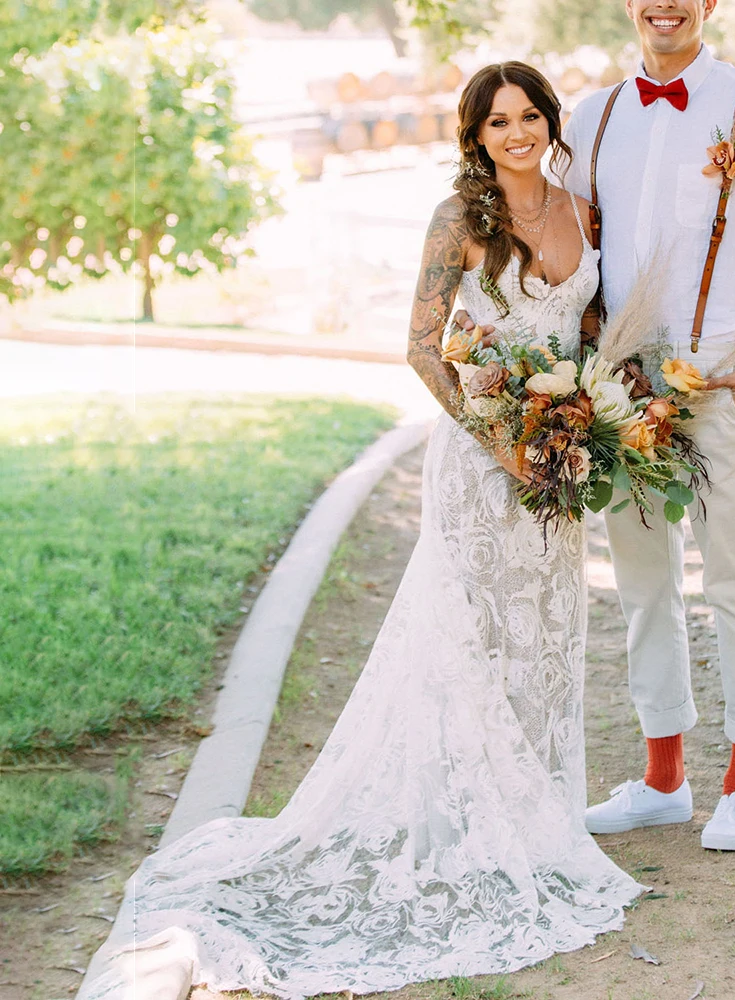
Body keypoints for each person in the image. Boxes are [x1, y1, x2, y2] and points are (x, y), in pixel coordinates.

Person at [79, 63, 642, 1000]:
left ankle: (538, 820)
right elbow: (423, 347)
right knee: (468, 638)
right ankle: (460, 824)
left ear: (550, 120)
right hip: (480, 463)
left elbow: (584, 323)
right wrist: (502, 440)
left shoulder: (581, 208)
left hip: (558, 461)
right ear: (475, 135)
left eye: (529, 114)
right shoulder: (459, 220)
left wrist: (581, 421)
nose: (516, 131)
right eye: (497, 121)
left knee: (545, 635)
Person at [563, 0, 735, 851]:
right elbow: (574, 253)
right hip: (620, 378)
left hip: (718, 374)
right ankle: (663, 778)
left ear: (710, 4)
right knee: (641, 576)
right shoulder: (589, 118)